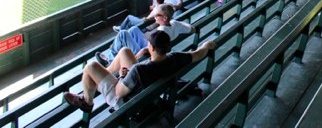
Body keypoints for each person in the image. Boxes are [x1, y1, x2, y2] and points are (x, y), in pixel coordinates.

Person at [64, 30, 217, 113]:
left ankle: (87, 101)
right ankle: (104, 73)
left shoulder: (139, 70)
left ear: (151, 48)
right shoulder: (175, 58)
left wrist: (123, 77)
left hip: (126, 101)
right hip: (146, 87)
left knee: (90, 67)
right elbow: (197, 54)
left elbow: (119, 92)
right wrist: (206, 45)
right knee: (125, 51)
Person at [95, 4, 194, 66]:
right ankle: (118, 49)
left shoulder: (160, 31)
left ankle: (110, 60)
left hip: (146, 55)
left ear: (164, 18)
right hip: (153, 48)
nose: (155, 17)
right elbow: (192, 28)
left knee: (123, 33)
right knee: (133, 29)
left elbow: (151, 49)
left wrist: (143, 50)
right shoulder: (174, 23)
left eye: (157, 15)